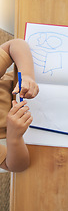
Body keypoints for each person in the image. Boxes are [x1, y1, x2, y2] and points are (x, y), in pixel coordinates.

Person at [0, 39, 39, 172]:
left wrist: (27, 75)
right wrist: (13, 137)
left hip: (40, 79)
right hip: (36, 134)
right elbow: (15, 166)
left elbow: (15, 45)